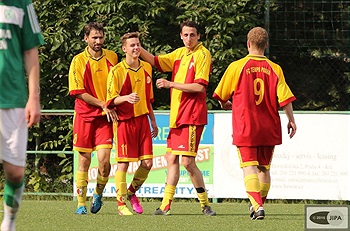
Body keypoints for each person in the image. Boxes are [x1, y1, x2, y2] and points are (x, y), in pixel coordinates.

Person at [213, 27, 297, 220]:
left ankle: (257, 206)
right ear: (266, 45)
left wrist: (225, 103)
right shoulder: (275, 68)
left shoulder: (237, 66)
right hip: (269, 126)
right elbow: (285, 100)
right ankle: (257, 206)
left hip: (246, 125)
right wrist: (291, 120)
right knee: (264, 168)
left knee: (249, 167)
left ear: (248, 43)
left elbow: (221, 95)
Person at [140, 20, 216, 216]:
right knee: (171, 158)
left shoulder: (202, 54)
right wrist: (138, 48)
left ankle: (205, 204)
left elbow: (200, 86)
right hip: (177, 117)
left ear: (199, 36)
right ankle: (165, 205)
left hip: (191, 116)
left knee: (188, 163)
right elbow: (156, 61)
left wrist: (170, 84)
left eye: (192, 35)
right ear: (181, 36)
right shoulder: (179, 54)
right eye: (185, 35)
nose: (189, 38)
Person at [0, 0, 44, 230]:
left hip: (13, 98)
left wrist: (33, 97)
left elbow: (30, 50)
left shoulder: (21, 4)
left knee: (15, 172)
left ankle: (9, 222)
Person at [106, 32, 158, 216]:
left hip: (143, 121)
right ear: (124, 49)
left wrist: (153, 121)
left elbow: (148, 98)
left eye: (138, 45)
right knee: (123, 164)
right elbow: (110, 99)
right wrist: (126, 98)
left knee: (148, 163)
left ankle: (130, 193)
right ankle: (121, 205)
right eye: (132, 45)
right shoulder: (117, 70)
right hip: (124, 122)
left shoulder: (146, 68)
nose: (136, 48)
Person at [68, 22, 118, 215]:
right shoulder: (78, 60)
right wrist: (102, 104)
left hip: (105, 118)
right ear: (85, 38)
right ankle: (81, 204)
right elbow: (77, 91)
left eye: (101, 37)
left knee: (105, 162)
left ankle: (98, 194)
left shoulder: (112, 57)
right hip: (84, 116)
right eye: (94, 37)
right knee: (84, 161)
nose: (98, 41)